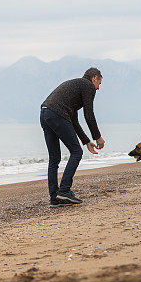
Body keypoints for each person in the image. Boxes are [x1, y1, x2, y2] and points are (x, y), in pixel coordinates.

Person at [40, 68, 105, 206]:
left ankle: (54, 198)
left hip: (45, 113)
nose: (98, 88)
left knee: (54, 158)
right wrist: (97, 137)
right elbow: (89, 115)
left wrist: (87, 141)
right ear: (94, 78)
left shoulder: (75, 87)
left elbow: (74, 120)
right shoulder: (88, 86)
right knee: (76, 152)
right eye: (99, 83)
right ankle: (64, 191)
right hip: (57, 114)